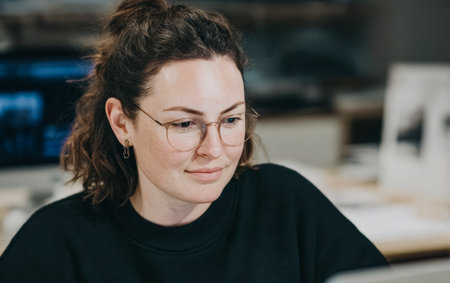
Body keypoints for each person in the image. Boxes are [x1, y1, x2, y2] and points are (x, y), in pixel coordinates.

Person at [0, 0, 388, 282]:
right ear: (122, 122)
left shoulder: (289, 206)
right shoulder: (55, 245)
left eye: (231, 119)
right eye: (185, 124)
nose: (214, 150)